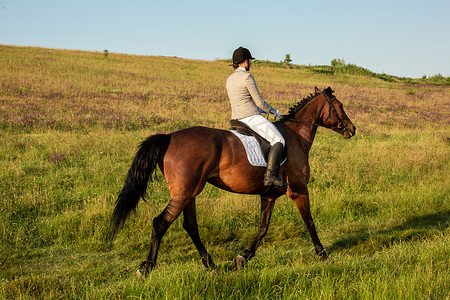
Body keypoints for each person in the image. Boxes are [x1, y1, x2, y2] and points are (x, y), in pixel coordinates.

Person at [226, 46, 287, 188]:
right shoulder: (247, 77)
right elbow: (259, 102)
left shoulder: (229, 79)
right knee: (279, 140)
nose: (250, 63)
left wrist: (263, 111)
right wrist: (273, 111)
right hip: (250, 118)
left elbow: (243, 102)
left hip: (236, 119)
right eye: (249, 60)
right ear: (245, 62)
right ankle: (270, 176)